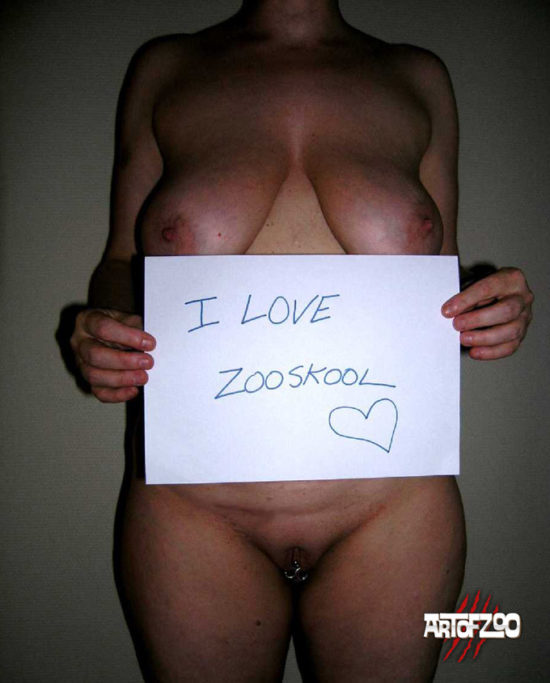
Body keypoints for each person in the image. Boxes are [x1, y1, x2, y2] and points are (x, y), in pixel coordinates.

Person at [70, 1, 533, 680]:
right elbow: (121, 262)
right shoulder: (166, 67)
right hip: (189, 513)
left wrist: (490, 306)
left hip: (395, 514)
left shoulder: (420, 77)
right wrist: (103, 322)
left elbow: (439, 279)